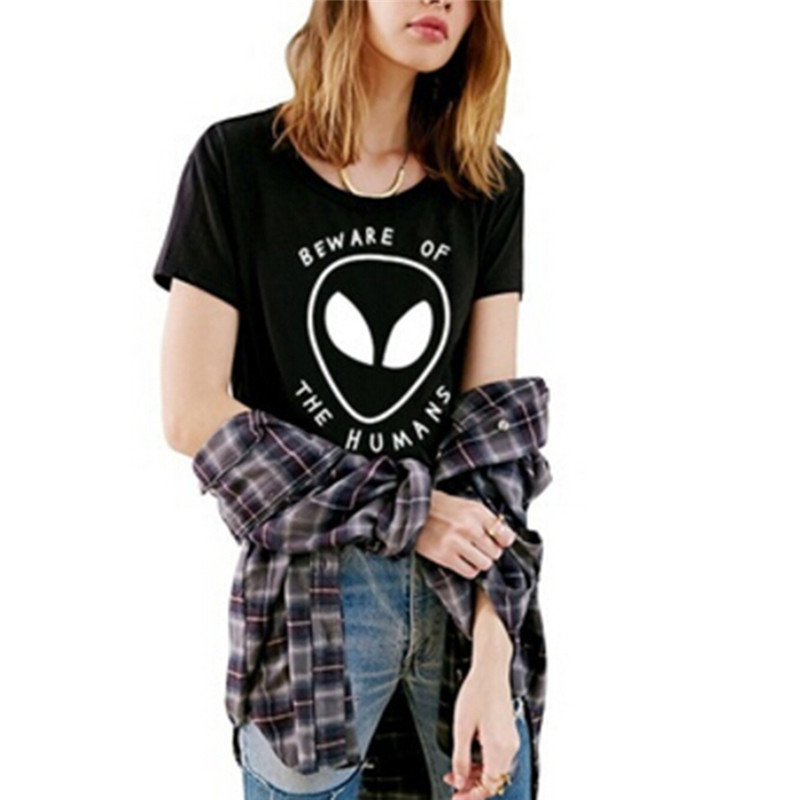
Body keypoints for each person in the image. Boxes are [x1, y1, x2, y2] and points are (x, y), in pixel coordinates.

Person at [153, 1, 539, 798]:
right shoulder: (239, 165)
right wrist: (409, 510)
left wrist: (495, 659)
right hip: (313, 609)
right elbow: (192, 414)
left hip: (461, 608)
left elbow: (494, 449)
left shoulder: (486, 184)